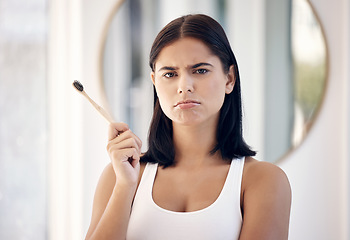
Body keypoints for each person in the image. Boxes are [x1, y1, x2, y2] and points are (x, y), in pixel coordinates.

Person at [85, 14, 291, 240]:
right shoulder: (118, 177)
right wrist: (125, 186)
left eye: (200, 70)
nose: (184, 86)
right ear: (155, 82)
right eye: (170, 74)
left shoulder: (262, 181)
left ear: (229, 78)